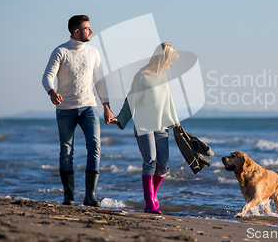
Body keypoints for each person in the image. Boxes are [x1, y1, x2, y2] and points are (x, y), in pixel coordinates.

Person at [42, 15, 115, 207]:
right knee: (66, 151)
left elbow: (100, 81)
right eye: (87, 28)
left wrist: (106, 107)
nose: (91, 31)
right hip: (65, 109)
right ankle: (69, 196)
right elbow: (47, 76)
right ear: (76, 31)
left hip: (89, 107)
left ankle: (90, 196)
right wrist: (51, 92)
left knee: (95, 149)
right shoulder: (61, 51)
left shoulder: (93, 52)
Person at [110, 42, 180, 214]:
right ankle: (149, 204)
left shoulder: (163, 77)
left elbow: (168, 102)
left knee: (163, 166)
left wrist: (176, 123)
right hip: (144, 125)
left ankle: (153, 195)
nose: (171, 64)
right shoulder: (141, 76)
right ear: (163, 58)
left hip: (161, 126)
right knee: (150, 161)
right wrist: (120, 119)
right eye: (170, 60)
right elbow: (130, 99)